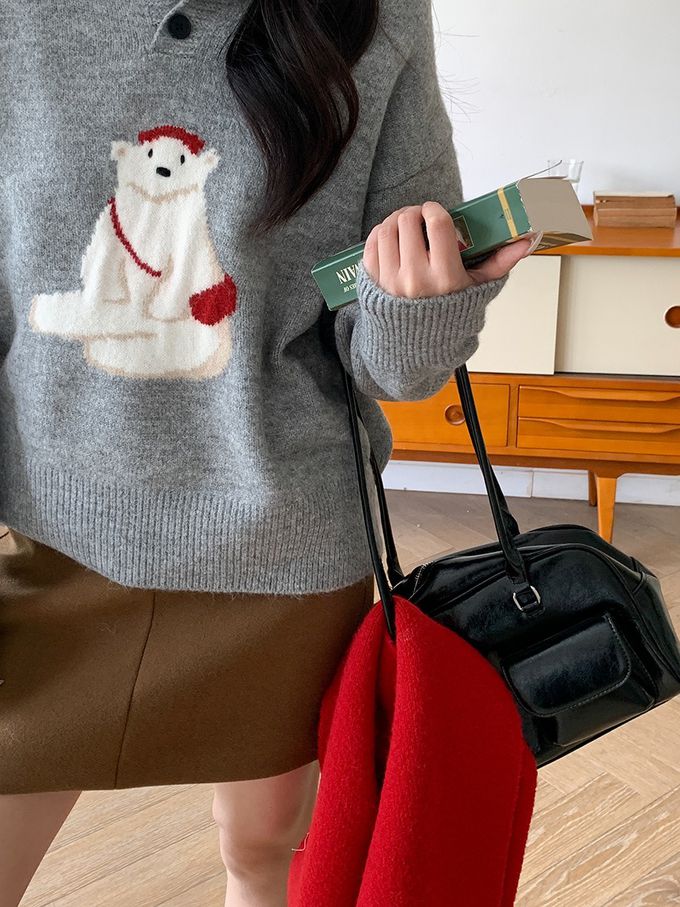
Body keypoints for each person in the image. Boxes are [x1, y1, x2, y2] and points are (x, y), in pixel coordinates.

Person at [0, 0, 532, 905]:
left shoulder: (376, 18)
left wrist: (418, 309)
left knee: (264, 851)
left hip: (280, 547)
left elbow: (388, 365)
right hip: (50, 535)